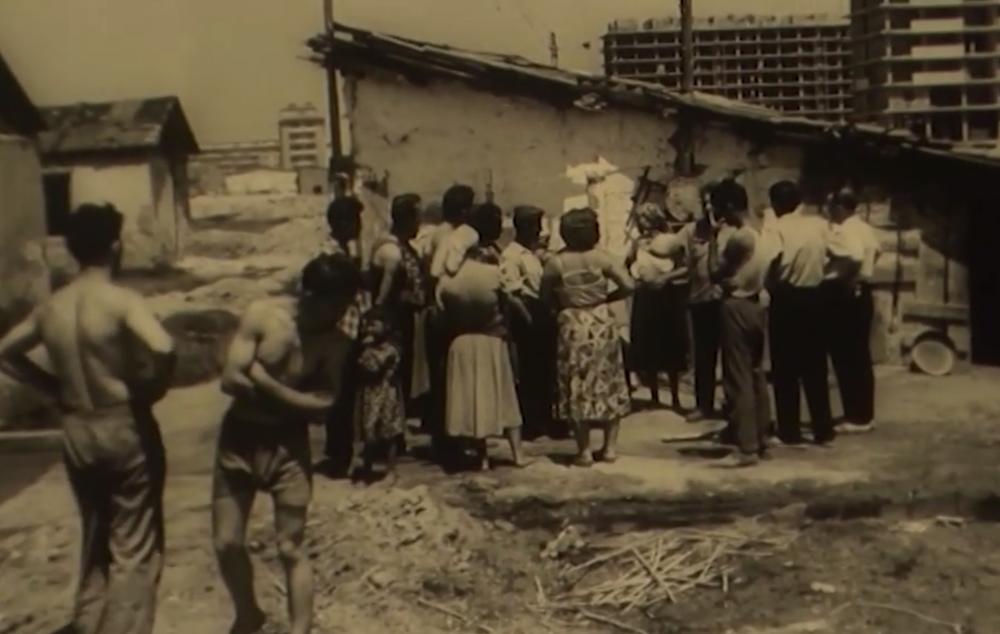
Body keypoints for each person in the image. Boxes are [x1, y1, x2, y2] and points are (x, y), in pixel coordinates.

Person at [0, 204, 176, 634]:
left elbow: (5, 351)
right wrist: (153, 388)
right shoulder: (120, 301)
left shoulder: (52, 307)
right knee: (134, 547)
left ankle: (88, 623)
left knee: (96, 538)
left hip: (78, 427)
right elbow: (164, 347)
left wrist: (52, 387)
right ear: (114, 246)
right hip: (122, 423)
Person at [213, 253, 360, 634]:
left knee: (290, 546)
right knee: (227, 542)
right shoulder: (264, 316)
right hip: (240, 439)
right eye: (335, 304)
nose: (341, 313)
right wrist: (296, 401)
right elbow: (230, 380)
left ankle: (300, 629)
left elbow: (324, 407)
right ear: (309, 295)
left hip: (288, 447)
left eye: (346, 304)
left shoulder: (336, 343)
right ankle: (248, 613)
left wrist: (263, 381)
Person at [438, 203, 529, 470]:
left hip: (461, 341)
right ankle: (518, 455)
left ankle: (482, 457)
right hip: (492, 339)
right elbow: (510, 305)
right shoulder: (492, 274)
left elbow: (442, 315)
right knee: (505, 397)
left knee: (473, 399)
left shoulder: (447, 282)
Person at [542, 208, 635, 467]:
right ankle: (610, 448)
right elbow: (629, 285)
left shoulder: (556, 262)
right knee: (609, 381)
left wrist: (562, 302)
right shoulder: (603, 258)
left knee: (576, 384)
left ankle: (583, 451)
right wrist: (605, 298)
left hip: (573, 322)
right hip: (601, 320)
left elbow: (544, 296)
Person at [709, 180, 780, 467]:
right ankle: (762, 438)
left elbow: (714, 273)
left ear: (728, 207)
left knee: (738, 377)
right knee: (756, 374)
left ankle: (747, 447)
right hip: (757, 303)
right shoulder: (766, 232)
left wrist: (713, 239)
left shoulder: (741, 238)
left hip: (736, 304)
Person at [769, 180, 835, 447]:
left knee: (785, 368)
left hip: (788, 297)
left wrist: (769, 283)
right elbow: (838, 252)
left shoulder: (777, 228)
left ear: (776, 204)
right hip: (816, 296)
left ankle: (789, 430)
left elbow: (771, 259)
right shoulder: (819, 225)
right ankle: (823, 428)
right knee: (815, 365)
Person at [425, 184, 476, 461]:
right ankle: (454, 438)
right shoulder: (459, 235)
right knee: (454, 375)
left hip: (436, 306)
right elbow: (450, 268)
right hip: (451, 309)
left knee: (441, 375)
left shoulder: (435, 233)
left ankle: (443, 437)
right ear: (464, 210)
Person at [677, 184, 736, 422]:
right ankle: (704, 405)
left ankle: (733, 404)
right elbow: (678, 254)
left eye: (713, 203)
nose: (709, 208)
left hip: (727, 299)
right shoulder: (691, 231)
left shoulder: (733, 231)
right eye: (705, 203)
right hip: (700, 299)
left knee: (731, 356)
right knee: (703, 356)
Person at [825, 186, 880, 434]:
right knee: (859, 357)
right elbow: (876, 251)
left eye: (830, 206)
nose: (828, 211)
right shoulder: (864, 228)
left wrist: (846, 278)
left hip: (848, 294)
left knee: (847, 356)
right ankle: (862, 413)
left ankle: (856, 416)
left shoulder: (846, 229)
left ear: (840, 207)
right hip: (862, 292)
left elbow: (855, 256)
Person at [369, 193, 430, 419]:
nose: (419, 224)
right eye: (417, 218)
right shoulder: (390, 250)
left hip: (405, 320)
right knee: (391, 373)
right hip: (391, 321)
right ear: (407, 219)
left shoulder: (405, 247)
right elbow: (382, 295)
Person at [322, 196, 370, 476]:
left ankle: (342, 453)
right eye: (355, 220)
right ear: (341, 223)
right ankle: (339, 456)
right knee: (340, 397)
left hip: (349, 329)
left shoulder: (344, 250)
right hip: (338, 332)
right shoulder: (331, 255)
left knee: (347, 395)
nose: (359, 226)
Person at [625, 202, 689, 411]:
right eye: (639, 219)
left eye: (645, 218)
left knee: (670, 344)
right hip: (645, 295)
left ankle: (675, 396)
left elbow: (685, 267)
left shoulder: (670, 240)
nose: (642, 223)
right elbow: (628, 263)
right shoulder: (637, 242)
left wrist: (666, 278)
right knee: (648, 345)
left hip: (666, 295)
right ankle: (654, 395)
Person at [501, 205, 557, 439]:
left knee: (544, 370)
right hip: (526, 314)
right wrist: (529, 319)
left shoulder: (532, 254)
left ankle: (545, 419)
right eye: (535, 226)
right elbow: (512, 293)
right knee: (529, 371)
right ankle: (531, 423)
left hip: (541, 312)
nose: (538, 231)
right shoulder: (512, 255)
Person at [353, 309, 406, 485]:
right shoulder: (367, 347)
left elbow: (374, 367)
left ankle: (391, 470)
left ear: (386, 326)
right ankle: (367, 468)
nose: (370, 329)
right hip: (370, 395)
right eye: (368, 325)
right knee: (369, 432)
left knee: (389, 432)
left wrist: (367, 350)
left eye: (374, 324)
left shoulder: (391, 349)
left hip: (386, 394)